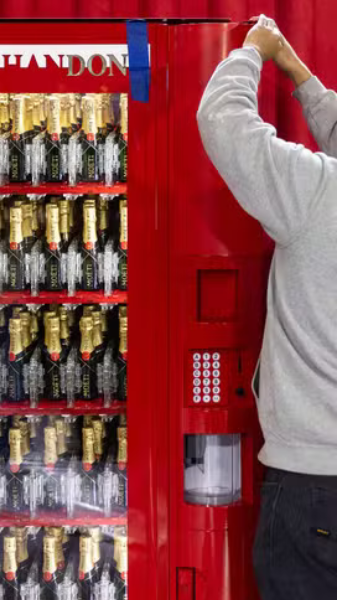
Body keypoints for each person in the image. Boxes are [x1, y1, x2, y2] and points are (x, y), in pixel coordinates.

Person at [197, 15, 337, 599]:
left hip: (312, 487)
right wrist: (302, 77)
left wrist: (254, 52)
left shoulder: (317, 192)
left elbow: (223, 123)